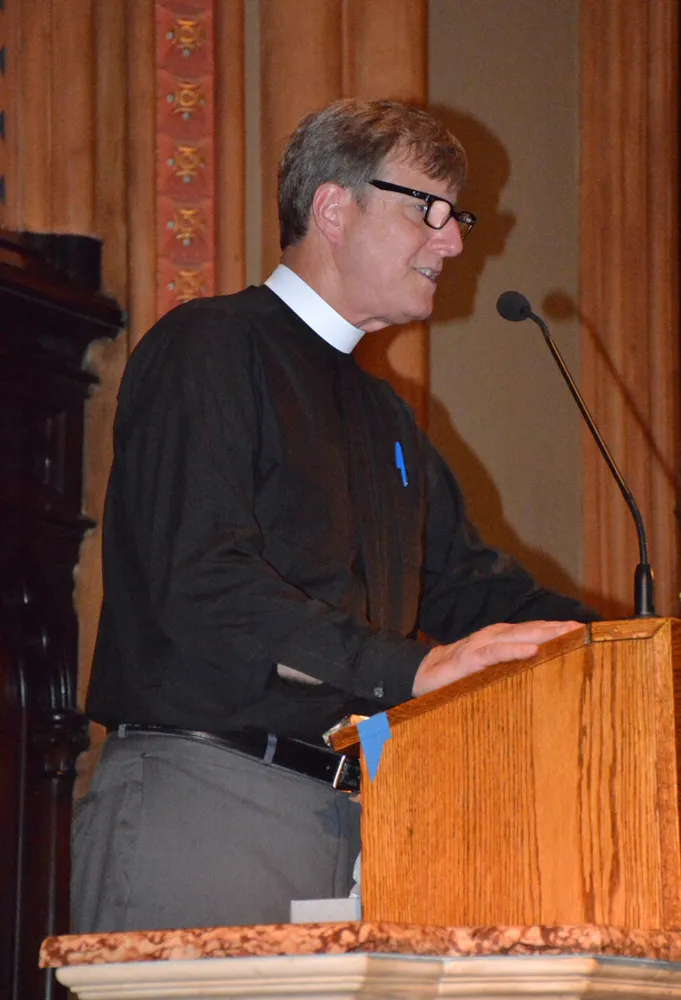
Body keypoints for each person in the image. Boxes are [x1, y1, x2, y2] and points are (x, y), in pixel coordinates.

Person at [72, 98, 597, 934]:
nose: (453, 243)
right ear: (332, 208)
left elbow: (464, 589)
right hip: (211, 798)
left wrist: (628, 648)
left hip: (357, 812)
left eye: (455, 218)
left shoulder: (385, 414)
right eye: (427, 210)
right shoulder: (211, 346)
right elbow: (203, 584)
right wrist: (412, 671)